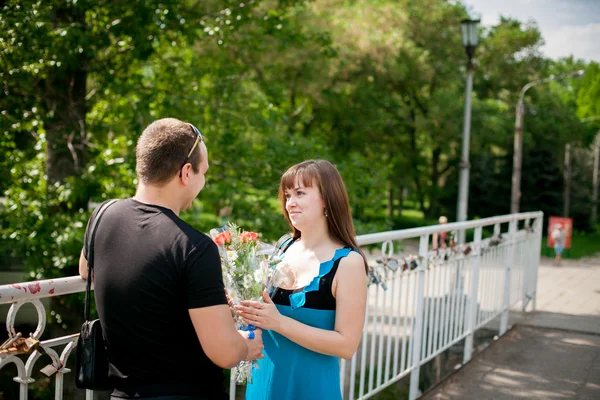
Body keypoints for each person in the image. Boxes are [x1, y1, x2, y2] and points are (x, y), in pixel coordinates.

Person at [78, 118, 263, 400]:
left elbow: (86, 271)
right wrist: (247, 346)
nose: (203, 182)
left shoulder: (102, 217)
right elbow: (224, 353)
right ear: (186, 172)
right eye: (204, 173)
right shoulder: (194, 247)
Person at [235, 159, 368, 400]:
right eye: (287, 195)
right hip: (264, 384)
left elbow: (347, 345)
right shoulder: (283, 246)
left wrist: (280, 323)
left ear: (327, 198)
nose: (290, 203)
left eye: (300, 193)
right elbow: (264, 310)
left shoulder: (348, 263)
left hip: (311, 389)